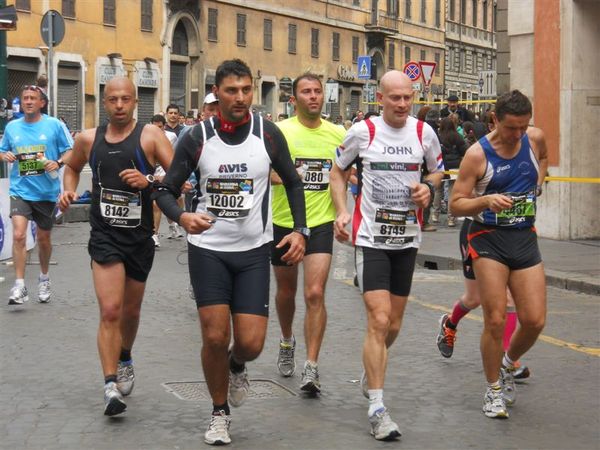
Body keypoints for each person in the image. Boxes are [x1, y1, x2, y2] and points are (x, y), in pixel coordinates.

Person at [154, 59, 307, 446]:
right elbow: (164, 190)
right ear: (216, 93)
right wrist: (183, 217)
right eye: (231, 91)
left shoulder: (267, 134)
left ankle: (238, 366)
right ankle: (219, 412)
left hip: (255, 249)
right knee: (215, 337)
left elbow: (292, 181)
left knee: (252, 344)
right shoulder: (196, 137)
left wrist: (301, 232)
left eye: (246, 90)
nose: (240, 98)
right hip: (209, 251)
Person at [330, 70, 443, 440]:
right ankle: (378, 407)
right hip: (371, 237)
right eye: (395, 98)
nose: (402, 104)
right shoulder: (364, 132)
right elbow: (338, 171)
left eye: (408, 97)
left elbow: (437, 173)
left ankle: (370, 367)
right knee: (379, 319)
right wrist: (342, 211)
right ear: (380, 99)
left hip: (407, 240)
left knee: (393, 325)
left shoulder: (424, 132)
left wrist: (427, 188)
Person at [58, 77, 173, 416]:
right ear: (104, 103)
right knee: (110, 310)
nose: (119, 105)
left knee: (131, 311)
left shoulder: (151, 137)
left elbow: (180, 173)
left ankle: (125, 355)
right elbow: (72, 167)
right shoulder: (88, 139)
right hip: (104, 234)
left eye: (125, 99)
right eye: (113, 100)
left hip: (138, 238)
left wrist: (149, 179)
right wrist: (68, 190)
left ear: (136, 102)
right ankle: (110, 385)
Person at [449, 90, 548, 419]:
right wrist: (485, 201)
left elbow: (543, 158)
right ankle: (492, 390)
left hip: (524, 236)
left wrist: (540, 181)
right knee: (494, 319)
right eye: (511, 128)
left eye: (523, 127)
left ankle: (506, 365)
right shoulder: (478, 155)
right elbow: (456, 202)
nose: (518, 134)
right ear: (495, 119)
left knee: (534, 320)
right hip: (488, 237)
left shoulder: (534, 140)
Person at [270, 73, 346, 393]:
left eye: (317, 91)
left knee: (314, 293)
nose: (313, 96)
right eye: (306, 92)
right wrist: (290, 177)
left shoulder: (338, 133)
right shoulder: (280, 132)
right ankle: (287, 340)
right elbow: (266, 170)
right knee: (287, 293)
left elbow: (344, 173)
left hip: (320, 223)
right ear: (294, 99)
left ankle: (311, 367)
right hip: (285, 221)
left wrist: (344, 210)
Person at [0, 84, 73, 305]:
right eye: (25, 98)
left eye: (33, 98)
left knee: (43, 239)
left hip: (46, 192)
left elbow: (71, 151)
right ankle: (20, 285)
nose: (29, 101)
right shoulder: (12, 127)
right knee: (19, 235)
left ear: (42, 103)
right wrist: (6, 156)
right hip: (20, 190)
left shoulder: (54, 125)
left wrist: (57, 162)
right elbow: (2, 150)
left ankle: (44, 277)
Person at [149, 114, 178, 247]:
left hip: (164, 174)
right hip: (149, 174)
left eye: (160, 127)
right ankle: (172, 224)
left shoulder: (171, 137)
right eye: (155, 127)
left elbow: (175, 156)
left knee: (157, 204)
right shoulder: (145, 137)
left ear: (164, 126)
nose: (157, 130)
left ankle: (154, 235)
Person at [435, 116, 467, 227]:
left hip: (441, 166)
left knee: (438, 190)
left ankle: (435, 214)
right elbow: (464, 150)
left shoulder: (438, 137)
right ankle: (451, 218)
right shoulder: (457, 136)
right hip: (454, 166)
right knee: (452, 192)